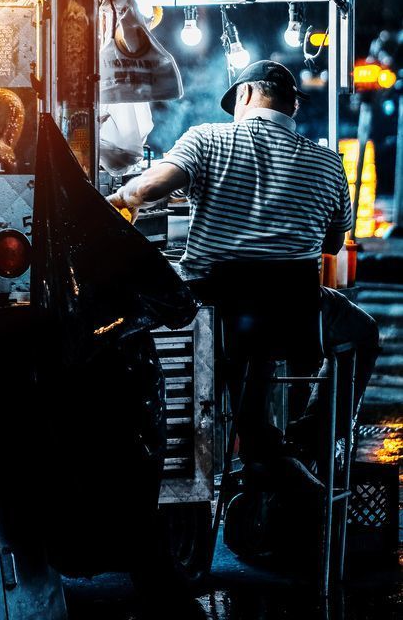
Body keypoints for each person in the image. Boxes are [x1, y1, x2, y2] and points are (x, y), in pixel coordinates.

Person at [108, 59, 380, 488]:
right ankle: (310, 435)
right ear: (291, 107)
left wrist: (122, 196)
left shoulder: (207, 139)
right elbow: (329, 246)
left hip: (213, 319)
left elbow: (146, 189)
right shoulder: (328, 163)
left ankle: (260, 449)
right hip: (294, 321)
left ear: (246, 95)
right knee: (363, 333)